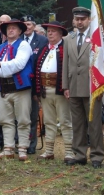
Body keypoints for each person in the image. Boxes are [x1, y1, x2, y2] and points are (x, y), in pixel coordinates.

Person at [62, 7, 104, 168]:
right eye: (77, 19)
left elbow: (101, 64)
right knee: (78, 123)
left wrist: (100, 88)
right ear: (73, 20)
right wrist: (65, 86)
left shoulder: (96, 38)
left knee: (93, 123)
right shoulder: (69, 39)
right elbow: (66, 63)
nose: (79, 22)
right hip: (73, 86)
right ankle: (79, 154)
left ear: (89, 20)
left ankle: (97, 156)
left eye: (83, 19)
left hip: (91, 86)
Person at [0, 19, 33, 161]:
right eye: (8, 28)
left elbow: (19, 64)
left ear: (20, 31)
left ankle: (22, 148)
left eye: (14, 28)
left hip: (20, 87)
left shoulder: (23, 45)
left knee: (23, 119)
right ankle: (8, 148)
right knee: (5, 119)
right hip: (4, 87)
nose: (11, 30)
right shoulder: (0, 48)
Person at [33, 21, 74, 162]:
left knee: (65, 121)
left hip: (61, 90)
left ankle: (69, 151)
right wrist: (37, 91)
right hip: (45, 90)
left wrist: (67, 88)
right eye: (48, 31)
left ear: (61, 33)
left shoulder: (66, 48)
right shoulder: (44, 49)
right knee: (49, 121)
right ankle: (49, 151)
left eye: (53, 31)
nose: (50, 33)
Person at [20, 15, 48, 154]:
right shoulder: (17, 40)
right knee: (19, 116)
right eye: (24, 24)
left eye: (29, 24)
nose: (27, 27)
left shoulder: (42, 40)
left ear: (34, 26)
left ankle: (31, 145)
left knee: (32, 116)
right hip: (19, 84)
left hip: (35, 84)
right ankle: (19, 144)